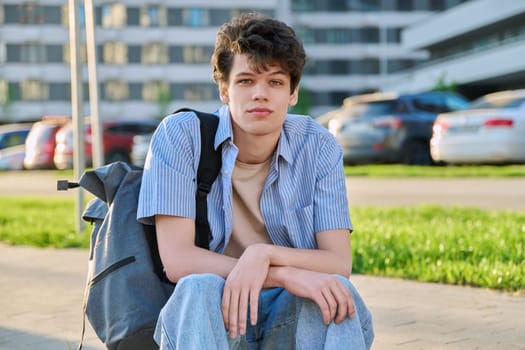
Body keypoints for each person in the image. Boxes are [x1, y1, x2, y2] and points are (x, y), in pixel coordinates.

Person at [137, 12, 374, 349]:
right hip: (213, 313)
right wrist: (281, 272)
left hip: (288, 309)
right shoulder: (180, 136)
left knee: (336, 292)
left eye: (275, 82)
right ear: (224, 89)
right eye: (246, 81)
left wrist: (261, 254)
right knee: (197, 287)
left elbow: (337, 262)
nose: (260, 94)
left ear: (292, 93)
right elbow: (178, 261)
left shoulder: (319, 147)